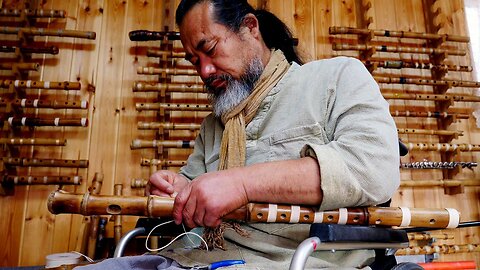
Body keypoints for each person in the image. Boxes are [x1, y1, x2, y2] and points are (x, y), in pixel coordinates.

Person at [77, 0, 400, 269]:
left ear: (250, 28)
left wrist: (242, 184)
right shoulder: (213, 126)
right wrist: (176, 191)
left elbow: (372, 170)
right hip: (194, 259)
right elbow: (190, 192)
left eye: (210, 49)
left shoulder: (336, 78)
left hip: (293, 263)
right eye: (194, 61)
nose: (204, 71)